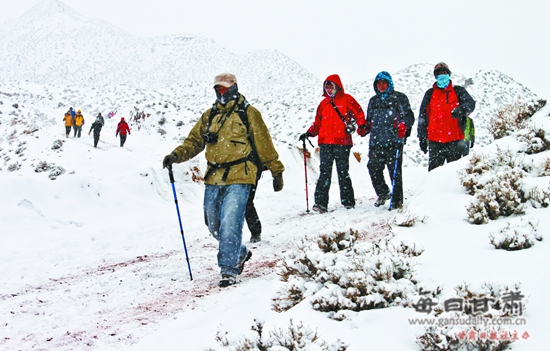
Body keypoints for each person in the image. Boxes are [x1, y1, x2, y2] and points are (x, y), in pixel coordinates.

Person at [162, 73, 285, 287]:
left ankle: (228, 269)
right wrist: (176, 155)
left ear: (234, 88)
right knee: (213, 223)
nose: (221, 92)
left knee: (231, 222)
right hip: (214, 177)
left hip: (241, 174)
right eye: (218, 89)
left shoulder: (249, 113)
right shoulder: (210, 115)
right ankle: (238, 252)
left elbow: (264, 143)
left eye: (225, 88)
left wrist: (277, 170)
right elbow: (193, 142)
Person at [299, 74, 367, 213]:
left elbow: (359, 113)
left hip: (342, 142)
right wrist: (309, 133)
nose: (329, 89)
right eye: (327, 87)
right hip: (325, 143)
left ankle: (348, 202)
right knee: (325, 172)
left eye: (332, 86)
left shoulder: (347, 100)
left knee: (342, 172)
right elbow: (318, 122)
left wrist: (361, 126)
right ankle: (320, 203)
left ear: (337, 86)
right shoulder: (323, 104)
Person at [365, 71, 415, 209]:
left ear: (389, 84)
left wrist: (403, 125)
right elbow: (369, 121)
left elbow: (409, 116)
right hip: (376, 142)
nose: (381, 86)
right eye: (378, 84)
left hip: (394, 141)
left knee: (395, 172)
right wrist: (364, 128)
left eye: (384, 83)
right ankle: (383, 192)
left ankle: (397, 201)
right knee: (373, 168)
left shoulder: (399, 98)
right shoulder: (373, 101)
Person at [417, 62, 476, 171]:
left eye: (444, 72)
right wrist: (422, 137)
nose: (442, 75)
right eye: (439, 73)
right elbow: (422, 117)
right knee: (433, 175)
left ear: (449, 74)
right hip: (435, 141)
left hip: (455, 140)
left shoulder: (458, 91)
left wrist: (461, 110)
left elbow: (470, 104)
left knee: (454, 175)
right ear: (435, 76)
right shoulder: (430, 94)